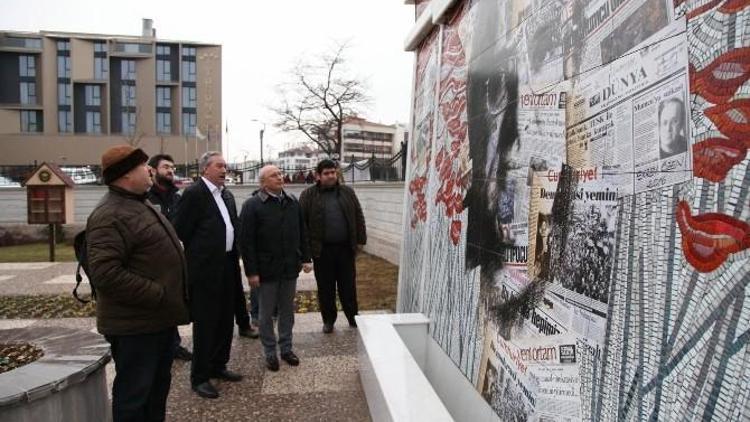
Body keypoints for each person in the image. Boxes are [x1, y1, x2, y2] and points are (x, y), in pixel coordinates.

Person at [87, 145, 189, 421]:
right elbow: (105, 273)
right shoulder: (109, 214)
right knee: (134, 397)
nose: (150, 170)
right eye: (144, 166)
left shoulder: (137, 203)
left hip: (156, 321)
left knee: (156, 392)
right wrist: (157, 294)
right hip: (136, 326)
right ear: (125, 175)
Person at [172, 152, 243, 399]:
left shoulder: (226, 194)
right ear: (205, 169)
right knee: (206, 323)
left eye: (226, 165)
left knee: (225, 319)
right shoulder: (194, 194)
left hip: (228, 265)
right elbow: (180, 229)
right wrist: (200, 254)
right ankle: (200, 376)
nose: (225, 169)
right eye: (219, 165)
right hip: (204, 269)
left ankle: (218, 365)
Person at [239, 165, 312, 371]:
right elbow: (246, 242)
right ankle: (270, 352)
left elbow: (302, 232)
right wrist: (251, 272)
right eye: (274, 175)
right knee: (265, 314)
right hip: (266, 271)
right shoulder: (252, 206)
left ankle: (286, 348)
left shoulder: (292, 203)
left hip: (289, 268)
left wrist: (306, 258)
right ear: (263, 182)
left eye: (280, 174)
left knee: (287, 312)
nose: (280, 177)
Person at [299, 159, 367, 333]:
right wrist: (305, 254)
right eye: (326, 173)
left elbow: (358, 215)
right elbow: (302, 225)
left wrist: (360, 240)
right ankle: (328, 320)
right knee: (326, 288)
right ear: (318, 176)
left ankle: (353, 317)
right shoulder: (308, 195)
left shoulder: (347, 192)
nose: (330, 176)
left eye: (333, 172)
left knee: (348, 286)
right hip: (322, 251)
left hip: (345, 249)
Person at [146, 153, 193, 362]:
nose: (171, 171)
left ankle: (174, 345)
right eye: (166, 167)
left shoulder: (177, 197)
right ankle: (158, 344)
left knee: (173, 299)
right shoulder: (146, 198)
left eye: (172, 167)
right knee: (156, 301)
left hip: (175, 257)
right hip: (152, 259)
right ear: (153, 170)